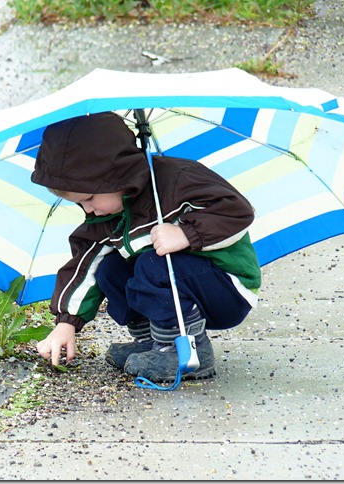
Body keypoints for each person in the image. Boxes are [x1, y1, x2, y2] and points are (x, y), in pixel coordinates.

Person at [30, 111, 261, 382]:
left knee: (154, 263)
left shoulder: (179, 179)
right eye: (80, 203)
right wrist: (66, 323)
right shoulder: (106, 217)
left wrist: (186, 234)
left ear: (116, 176)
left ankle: (185, 350)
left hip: (226, 289)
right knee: (109, 269)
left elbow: (236, 211)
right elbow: (83, 267)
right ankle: (151, 341)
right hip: (178, 287)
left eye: (89, 198)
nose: (88, 209)